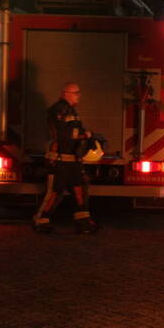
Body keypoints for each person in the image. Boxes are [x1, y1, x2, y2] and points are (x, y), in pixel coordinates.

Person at [32, 82, 99, 234]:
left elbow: (74, 130)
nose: (79, 96)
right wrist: (86, 135)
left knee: (79, 189)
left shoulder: (71, 110)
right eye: (77, 93)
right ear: (66, 93)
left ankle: (83, 222)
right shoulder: (59, 110)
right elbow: (64, 135)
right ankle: (40, 221)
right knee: (54, 192)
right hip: (59, 160)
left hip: (72, 160)